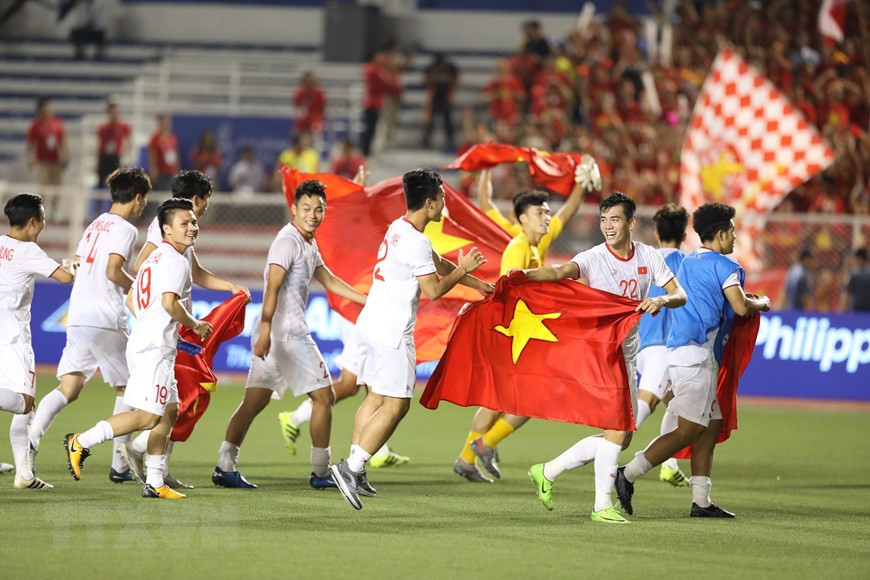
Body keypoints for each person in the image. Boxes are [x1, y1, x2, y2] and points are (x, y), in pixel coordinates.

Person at [330, 168, 492, 510]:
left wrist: (475, 284)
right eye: (443, 199)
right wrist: (464, 270)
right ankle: (352, 467)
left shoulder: (400, 228)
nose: (445, 205)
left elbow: (437, 262)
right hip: (391, 331)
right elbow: (433, 290)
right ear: (430, 203)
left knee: (375, 398)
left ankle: (354, 468)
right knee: (398, 404)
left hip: (370, 323)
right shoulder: (416, 240)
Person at [524, 192, 687, 524]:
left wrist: (661, 302)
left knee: (623, 437)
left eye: (614, 219)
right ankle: (601, 505)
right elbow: (558, 272)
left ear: (630, 222)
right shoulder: (593, 257)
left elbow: (679, 293)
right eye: (603, 220)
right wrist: (519, 277)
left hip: (627, 354)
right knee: (616, 430)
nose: (607, 226)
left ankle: (547, 471)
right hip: (600, 352)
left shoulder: (649, 256)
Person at [615, 202, 770, 519]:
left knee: (710, 428)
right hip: (698, 356)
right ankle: (627, 474)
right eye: (733, 232)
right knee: (687, 431)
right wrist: (763, 302)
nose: (736, 238)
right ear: (722, 233)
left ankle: (701, 502)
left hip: (680, 352)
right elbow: (740, 307)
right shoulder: (727, 267)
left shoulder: (686, 264)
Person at [213, 179, 367, 490]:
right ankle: (321, 472)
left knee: (253, 402)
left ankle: (224, 465)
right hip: (288, 335)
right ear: (294, 209)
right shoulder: (287, 242)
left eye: (318, 209)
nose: (312, 214)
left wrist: (367, 299)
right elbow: (272, 284)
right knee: (324, 397)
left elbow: (329, 280)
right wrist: (267, 327)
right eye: (306, 208)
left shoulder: (308, 243)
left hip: (278, 334)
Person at [64, 198, 212, 499]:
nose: (192, 227)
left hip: (150, 342)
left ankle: (155, 482)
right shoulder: (176, 261)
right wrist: (195, 325)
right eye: (184, 223)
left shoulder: (154, 259)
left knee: (170, 411)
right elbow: (171, 304)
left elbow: (132, 300)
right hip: (154, 348)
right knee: (148, 418)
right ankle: (81, 441)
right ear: (166, 229)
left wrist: (159, 327)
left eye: (193, 222)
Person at [454, 161, 592, 483]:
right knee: (532, 399)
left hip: (520, 333)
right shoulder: (517, 248)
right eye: (541, 212)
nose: (547, 216)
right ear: (522, 219)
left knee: (497, 399)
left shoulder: (538, 242)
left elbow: (567, 212)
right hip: (513, 333)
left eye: (546, 212)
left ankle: (467, 457)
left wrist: (581, 183)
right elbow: (509, 291)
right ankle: (483, 444)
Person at [124, 170, 249, 489]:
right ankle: (136, 454)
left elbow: (194, 272)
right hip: (168, 327)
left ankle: (155, 466)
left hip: (176, 327)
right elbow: (142, 267)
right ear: (196, 200)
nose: (205, 210)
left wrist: (229, 287)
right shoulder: (167, 232)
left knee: (175, 403)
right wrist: (155, 313)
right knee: (172, 402)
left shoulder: (181, 232)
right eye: (205, 202)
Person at [28, 168, 150, 483]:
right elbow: (113, 270)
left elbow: (77, 262)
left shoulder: (95, 224)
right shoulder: (125, 229)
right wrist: (138, 286)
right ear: (137, 198)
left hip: (78, 314)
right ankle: (120, 467)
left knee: (70, 387)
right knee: (131, 389)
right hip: (105, 317)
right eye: (143, 199)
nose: (143, 205)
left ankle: (30, 440)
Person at [0, 193, 75, 490]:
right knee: (25, 403)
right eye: (43, 218)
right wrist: (73, 265)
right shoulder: (28, 251)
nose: (44, 223)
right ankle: (24, 474)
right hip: (13, 336)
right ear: (33, 221)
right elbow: (66, 278)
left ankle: (25, 475)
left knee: (22, 404)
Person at [278, 314, 410, 469]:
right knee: (354, 385)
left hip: (368, 316)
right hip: (360, 316)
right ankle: (296, 418)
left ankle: (379, 451)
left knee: (372, 387)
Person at [634, 204, 690, 486]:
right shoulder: (687, 264)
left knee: (678, 405)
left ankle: (669, 463)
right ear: (684, 234)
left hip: (639, 346)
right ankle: (601, 450)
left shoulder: (643, 260)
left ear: (656, 233)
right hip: (666, 349)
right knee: (641, 412)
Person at [26, 98, 67, 216]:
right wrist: (30, 157)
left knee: (57, 186)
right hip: (42, 161)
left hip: (56, 161)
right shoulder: (36, 125)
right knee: (42, 187)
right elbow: (31, 143)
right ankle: (41, 210)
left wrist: (65, 155)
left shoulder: (57, 123)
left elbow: (62, 141)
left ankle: (55, 209)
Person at [360, 50, 399, 157]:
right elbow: (388, 85)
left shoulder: (372, 69)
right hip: (374, 103)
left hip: (374, 102)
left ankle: (367, 149)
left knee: (371, 127)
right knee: (371, 128)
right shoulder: (374, 70)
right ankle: (366, 150)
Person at [422, 53, 459, 150]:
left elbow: (456, 79)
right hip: (435, 96)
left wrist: (452, 93)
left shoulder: (450, 68)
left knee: (447, 120)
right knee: (430, 120)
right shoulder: (431, 68)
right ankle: (426, 139)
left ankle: (450, 139)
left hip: (445, 96)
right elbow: (425, 80)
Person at [96, 102, 131, 190]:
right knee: (101, 182)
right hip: (104, 157)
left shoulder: (123, 126)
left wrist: (125, 151)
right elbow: (99, 144)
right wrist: (97, 160)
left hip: (115, 157)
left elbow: (129, 141)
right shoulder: (103, 127)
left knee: (116, 184)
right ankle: (99, 203)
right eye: (112, 112)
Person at [148, 115, 179, 192]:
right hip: (160, 171)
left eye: (167, 123)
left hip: (171, 171)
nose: (165, 125)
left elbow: (176, 154)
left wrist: (176, 170)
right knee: (160, 192)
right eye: (163, 123)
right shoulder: (155, 138)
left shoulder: (172, 137)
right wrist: (153, 169)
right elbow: (152, 154)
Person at [293, 71, 326, 136]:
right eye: (307, 80)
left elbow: (322, 106)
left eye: (311, 79)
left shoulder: (318, 92)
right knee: (302, 139)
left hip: (315, 118)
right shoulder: (300, 92)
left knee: (316, 137)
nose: (309, 82)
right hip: (303, 119)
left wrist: (320, 119)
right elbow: (297, 106)